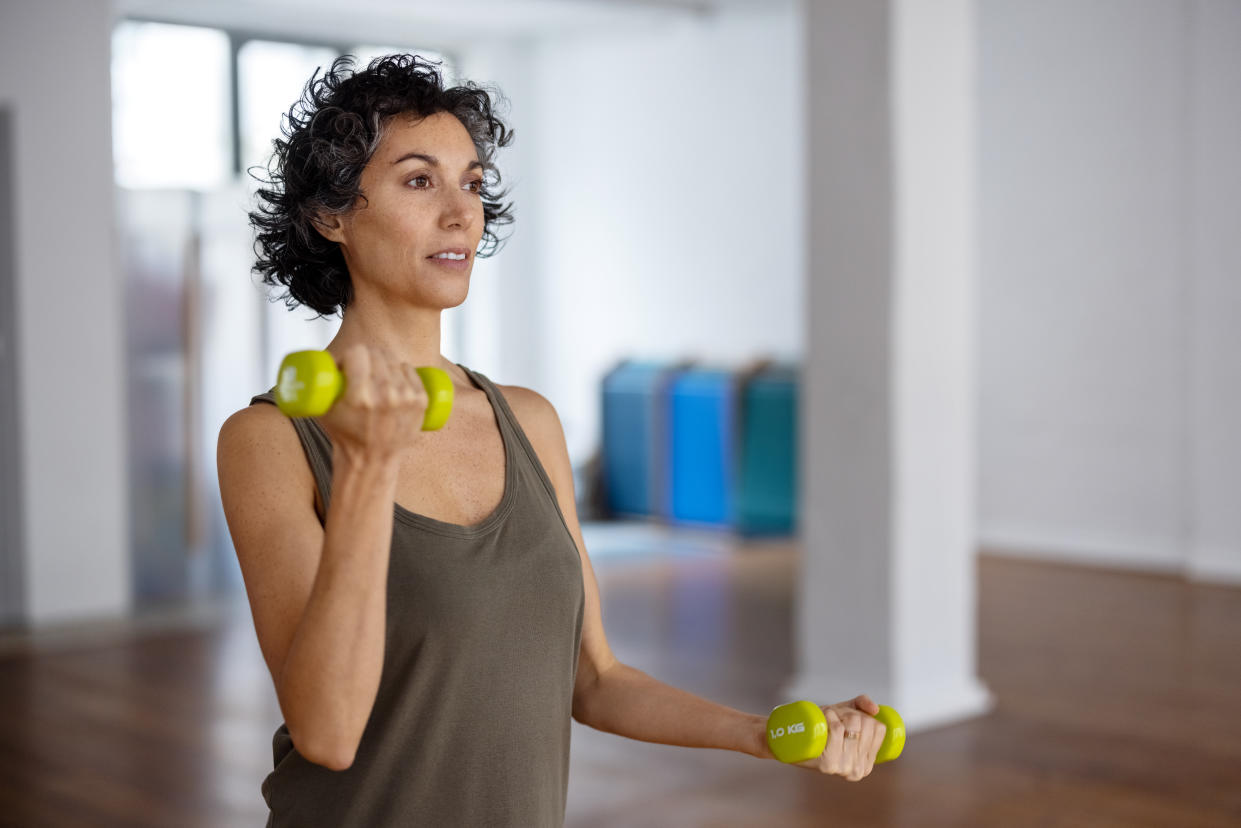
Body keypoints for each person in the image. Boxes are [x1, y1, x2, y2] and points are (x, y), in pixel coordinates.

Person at [216, 53, 886, 827]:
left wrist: (763, 737)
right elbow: (327, 734)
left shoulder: (526, 421)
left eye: (470, 182)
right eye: (418, 179)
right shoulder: (270, 441)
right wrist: (369, 467)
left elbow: (594, 678)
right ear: (331, 215)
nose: (461, 212)